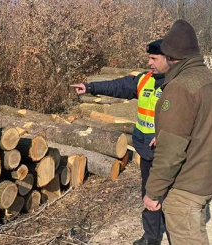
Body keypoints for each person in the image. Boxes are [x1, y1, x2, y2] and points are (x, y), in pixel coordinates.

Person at [71, 40, 169, 245]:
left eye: (154, 59)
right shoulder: (144, 80)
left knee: (171, 198)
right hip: (147, 151)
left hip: (170, 153)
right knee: (149, 194)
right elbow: (118, 86)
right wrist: (90, 87)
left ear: (168, 58)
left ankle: (177, 237)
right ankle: (151, 238)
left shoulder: (177, 85)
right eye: (149, 58)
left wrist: (168, 135)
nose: (149, 63)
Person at [143, 19, 212, 245]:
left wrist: (152, 192)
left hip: (186, 186)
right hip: (207, 179)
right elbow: (202, 127)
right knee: (196, 235)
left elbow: (171, 151)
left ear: (170, 56)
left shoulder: (180, 87)